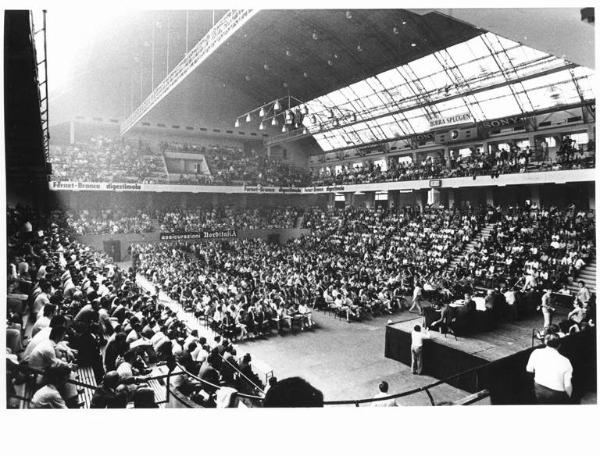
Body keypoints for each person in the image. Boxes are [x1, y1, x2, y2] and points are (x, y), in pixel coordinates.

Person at [526, 333, 573, 404]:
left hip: (539, 390)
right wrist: (568, 401)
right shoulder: (566, 361)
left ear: (545, 342)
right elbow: (568, 386)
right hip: (556, 393)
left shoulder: (536, 352)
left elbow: (529, 369)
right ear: (559, 345)